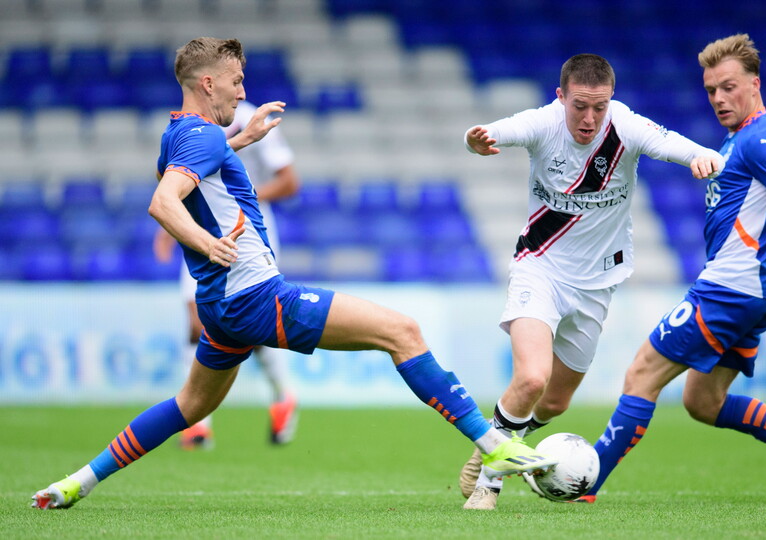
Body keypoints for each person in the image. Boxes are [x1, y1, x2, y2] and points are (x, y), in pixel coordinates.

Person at [31, 37, 555, 510]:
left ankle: (79, 481)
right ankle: (495, 446)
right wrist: (209, 243)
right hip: (254, 294)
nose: (242, 93)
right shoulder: (201, 137)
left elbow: (194, 172)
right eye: (236, 82)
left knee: (189, 405)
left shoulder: (179, 134)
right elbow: (163, 203)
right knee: (404, 332)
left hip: (222, 308)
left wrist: (241, 143)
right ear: (208, 82)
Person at [574, 34, 766, 505]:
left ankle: (583, 485)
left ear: (755, 84)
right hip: (750, 292)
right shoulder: (739, 138)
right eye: (710, 90)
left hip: (730, 289)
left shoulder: (763, 139)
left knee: (642, 373)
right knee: (703, 402)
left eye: (729, 87)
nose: (719, 98)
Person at [458, 53, 725, 510]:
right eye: (579, 105)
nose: (589, 118)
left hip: (597, 283)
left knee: (556, 402)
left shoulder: (624, 126)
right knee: (531, 377)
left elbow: (678, 145)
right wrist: (476, 140)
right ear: (560, 96)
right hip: (539, 267)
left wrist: (703, 157)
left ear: (611, 100)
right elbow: (498, 131)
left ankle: (498, 436)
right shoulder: (544, 123)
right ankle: (489, 479)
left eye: (599, 106)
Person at [154, 98, 302, 449]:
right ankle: (199, 424)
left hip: (245, 230)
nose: (238, 89)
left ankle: (284, 395)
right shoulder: (188, 126)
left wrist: (239, 194)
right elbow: (176, 183)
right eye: (233, 80)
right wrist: (168, 224)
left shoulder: (249, 117)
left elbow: (289, 182)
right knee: (195, 319)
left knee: (253, 323)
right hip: (200, 227)